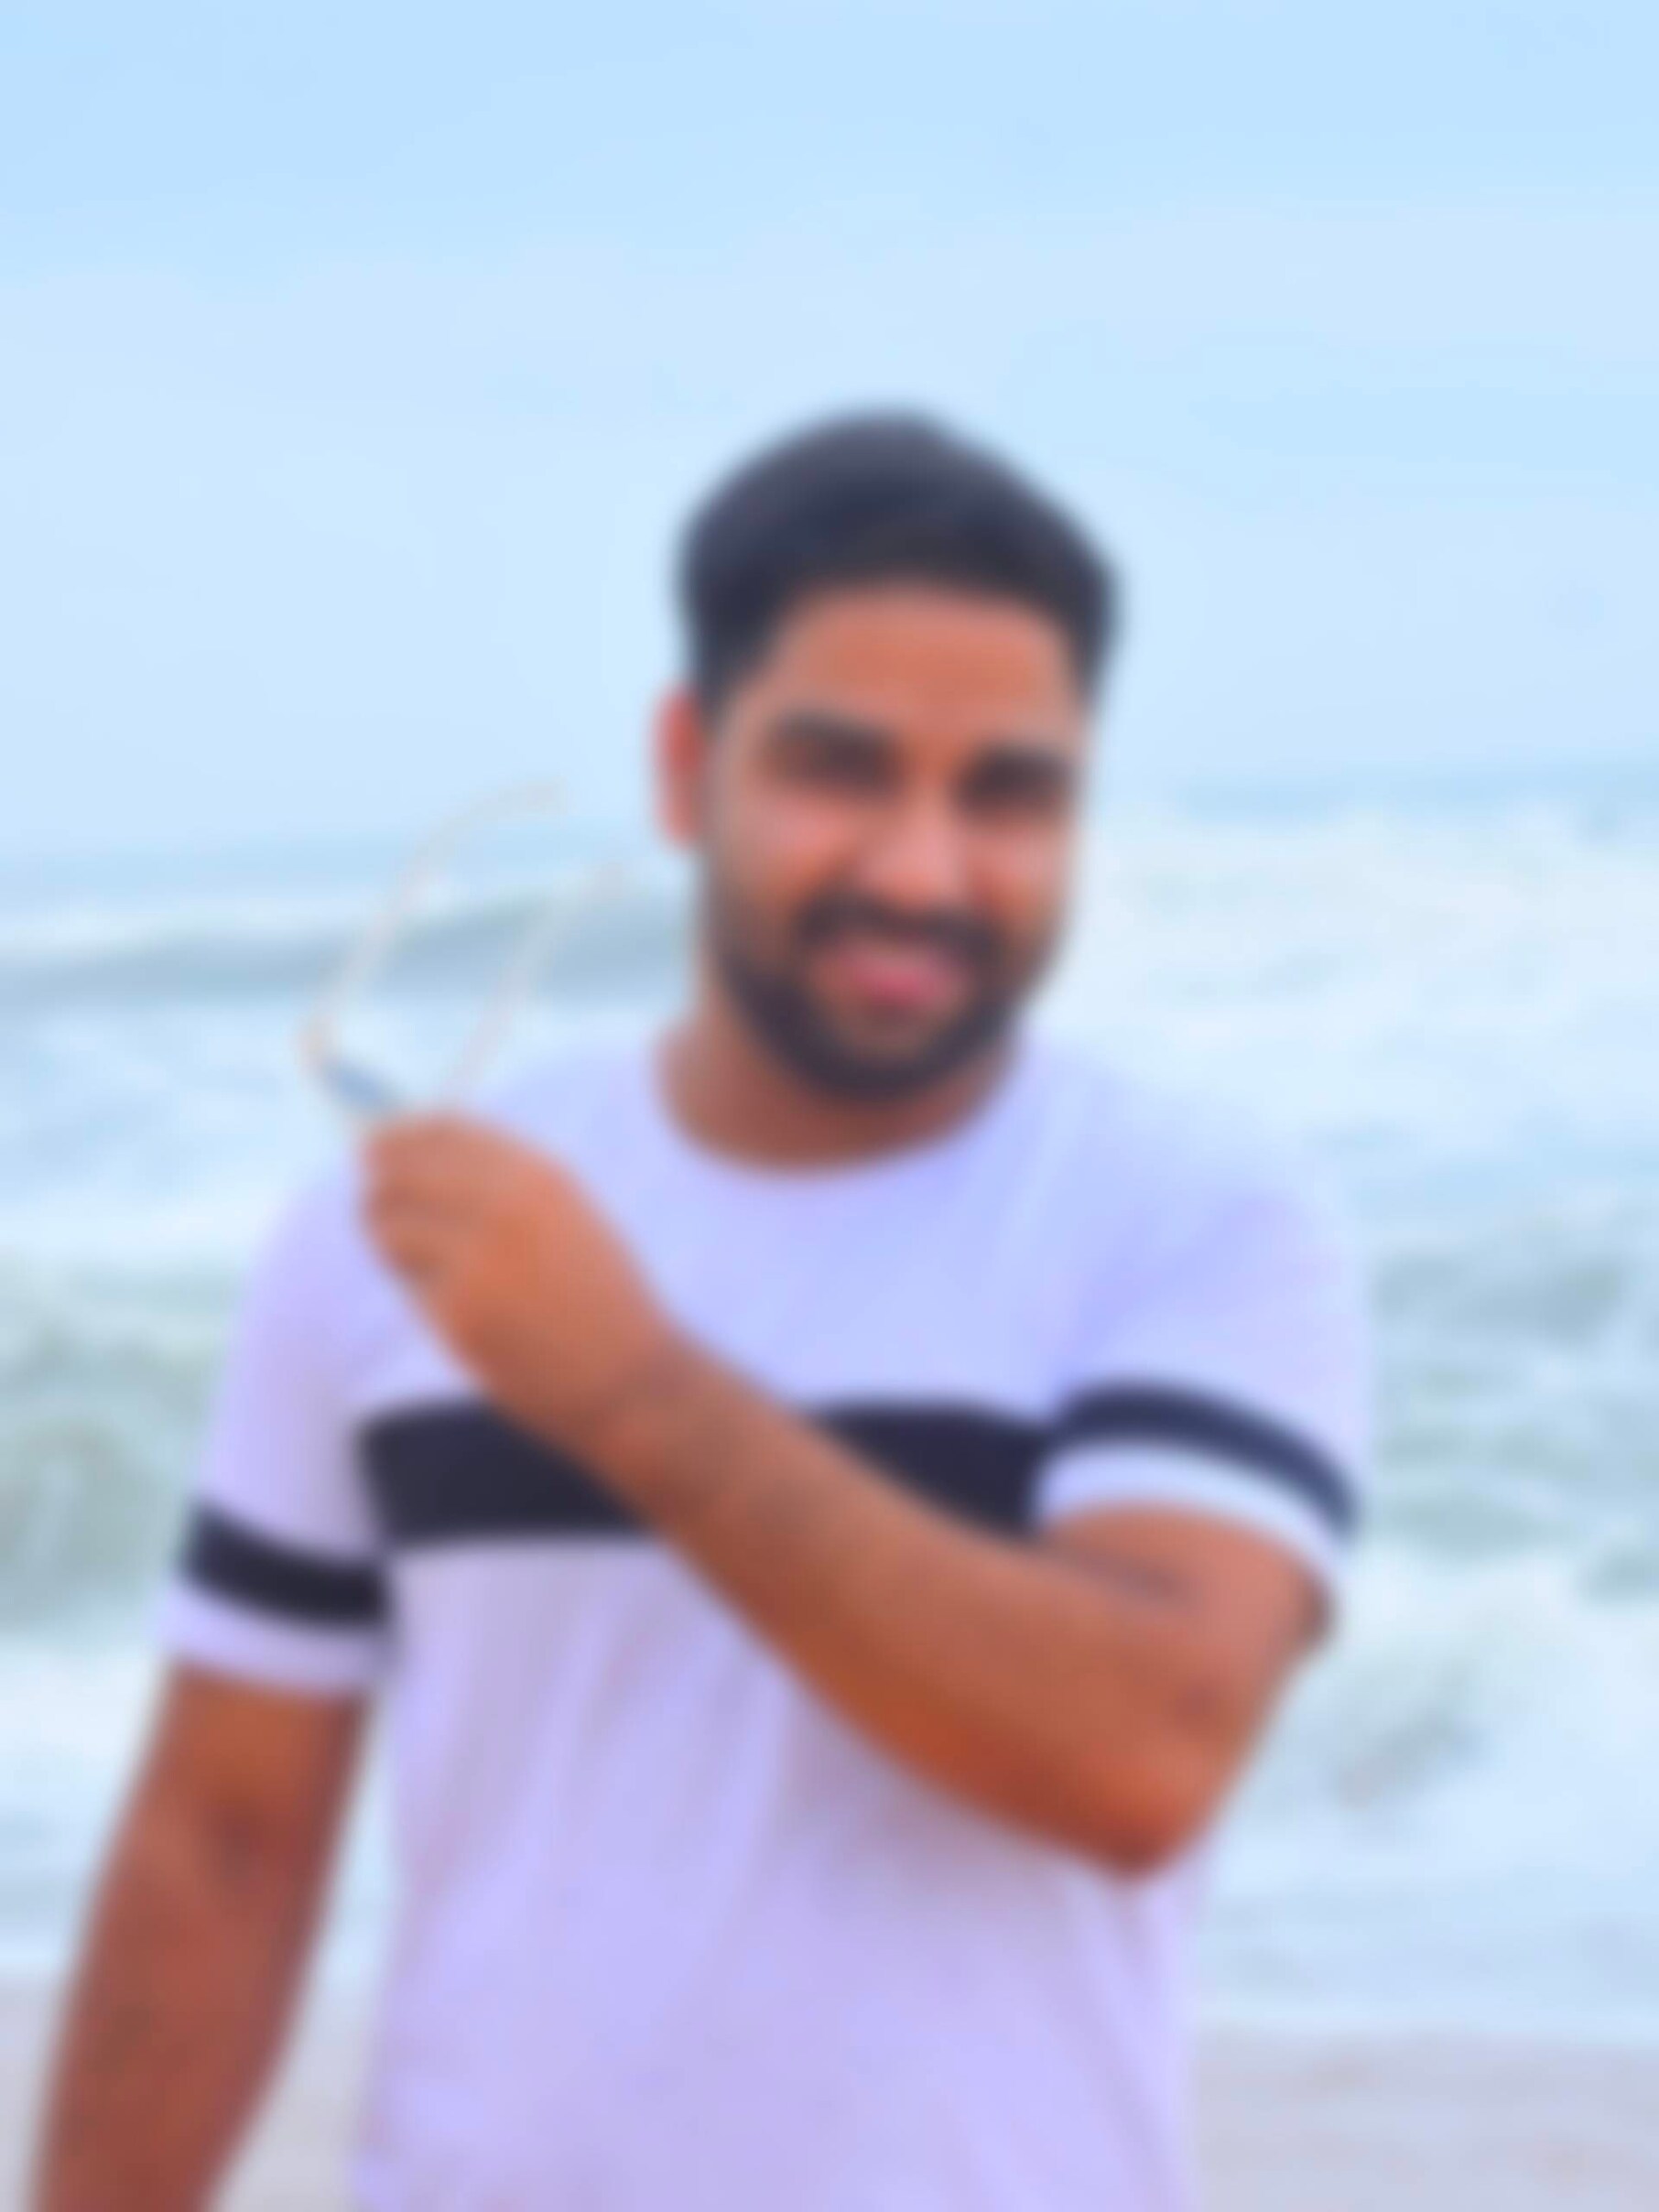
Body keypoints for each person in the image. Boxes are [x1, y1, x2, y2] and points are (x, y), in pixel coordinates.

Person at [33, 413, 1369, 2210]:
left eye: (1008, 794)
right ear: (686, 767)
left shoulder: (1197, 1216)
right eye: (839, 770)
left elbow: (1139, 1752)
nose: (922, 870)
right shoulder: (397, 1233)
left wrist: (628, 1386)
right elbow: (225, 1839)